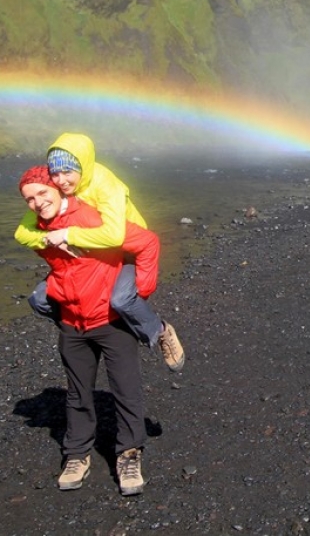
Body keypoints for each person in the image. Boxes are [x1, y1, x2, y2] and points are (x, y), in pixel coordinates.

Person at [18, 166, 150, 495]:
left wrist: (138, 296)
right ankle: (77, 453)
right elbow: (24, 237)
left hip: (110, 321)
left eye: (42, 193)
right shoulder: (38, 228)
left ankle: (129, 453)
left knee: (125, 390)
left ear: (61, 190)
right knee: (77, 394)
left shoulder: (93, 217)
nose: (36, 202)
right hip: (72, 322)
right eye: (29, 199)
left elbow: (146, 241)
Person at [15, 133, 184, 371]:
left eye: (67, 172)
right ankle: (77, 328)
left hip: (128, 249)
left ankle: (161, 331)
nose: (61, 180)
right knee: (40, 299)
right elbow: (21, 233)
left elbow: (119, 237)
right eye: (56, 173)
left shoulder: (106, 185)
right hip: (96, 251)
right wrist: (45, 238)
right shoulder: (54, 191)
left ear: (82, 166)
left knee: (122, 299)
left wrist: (67, 235)